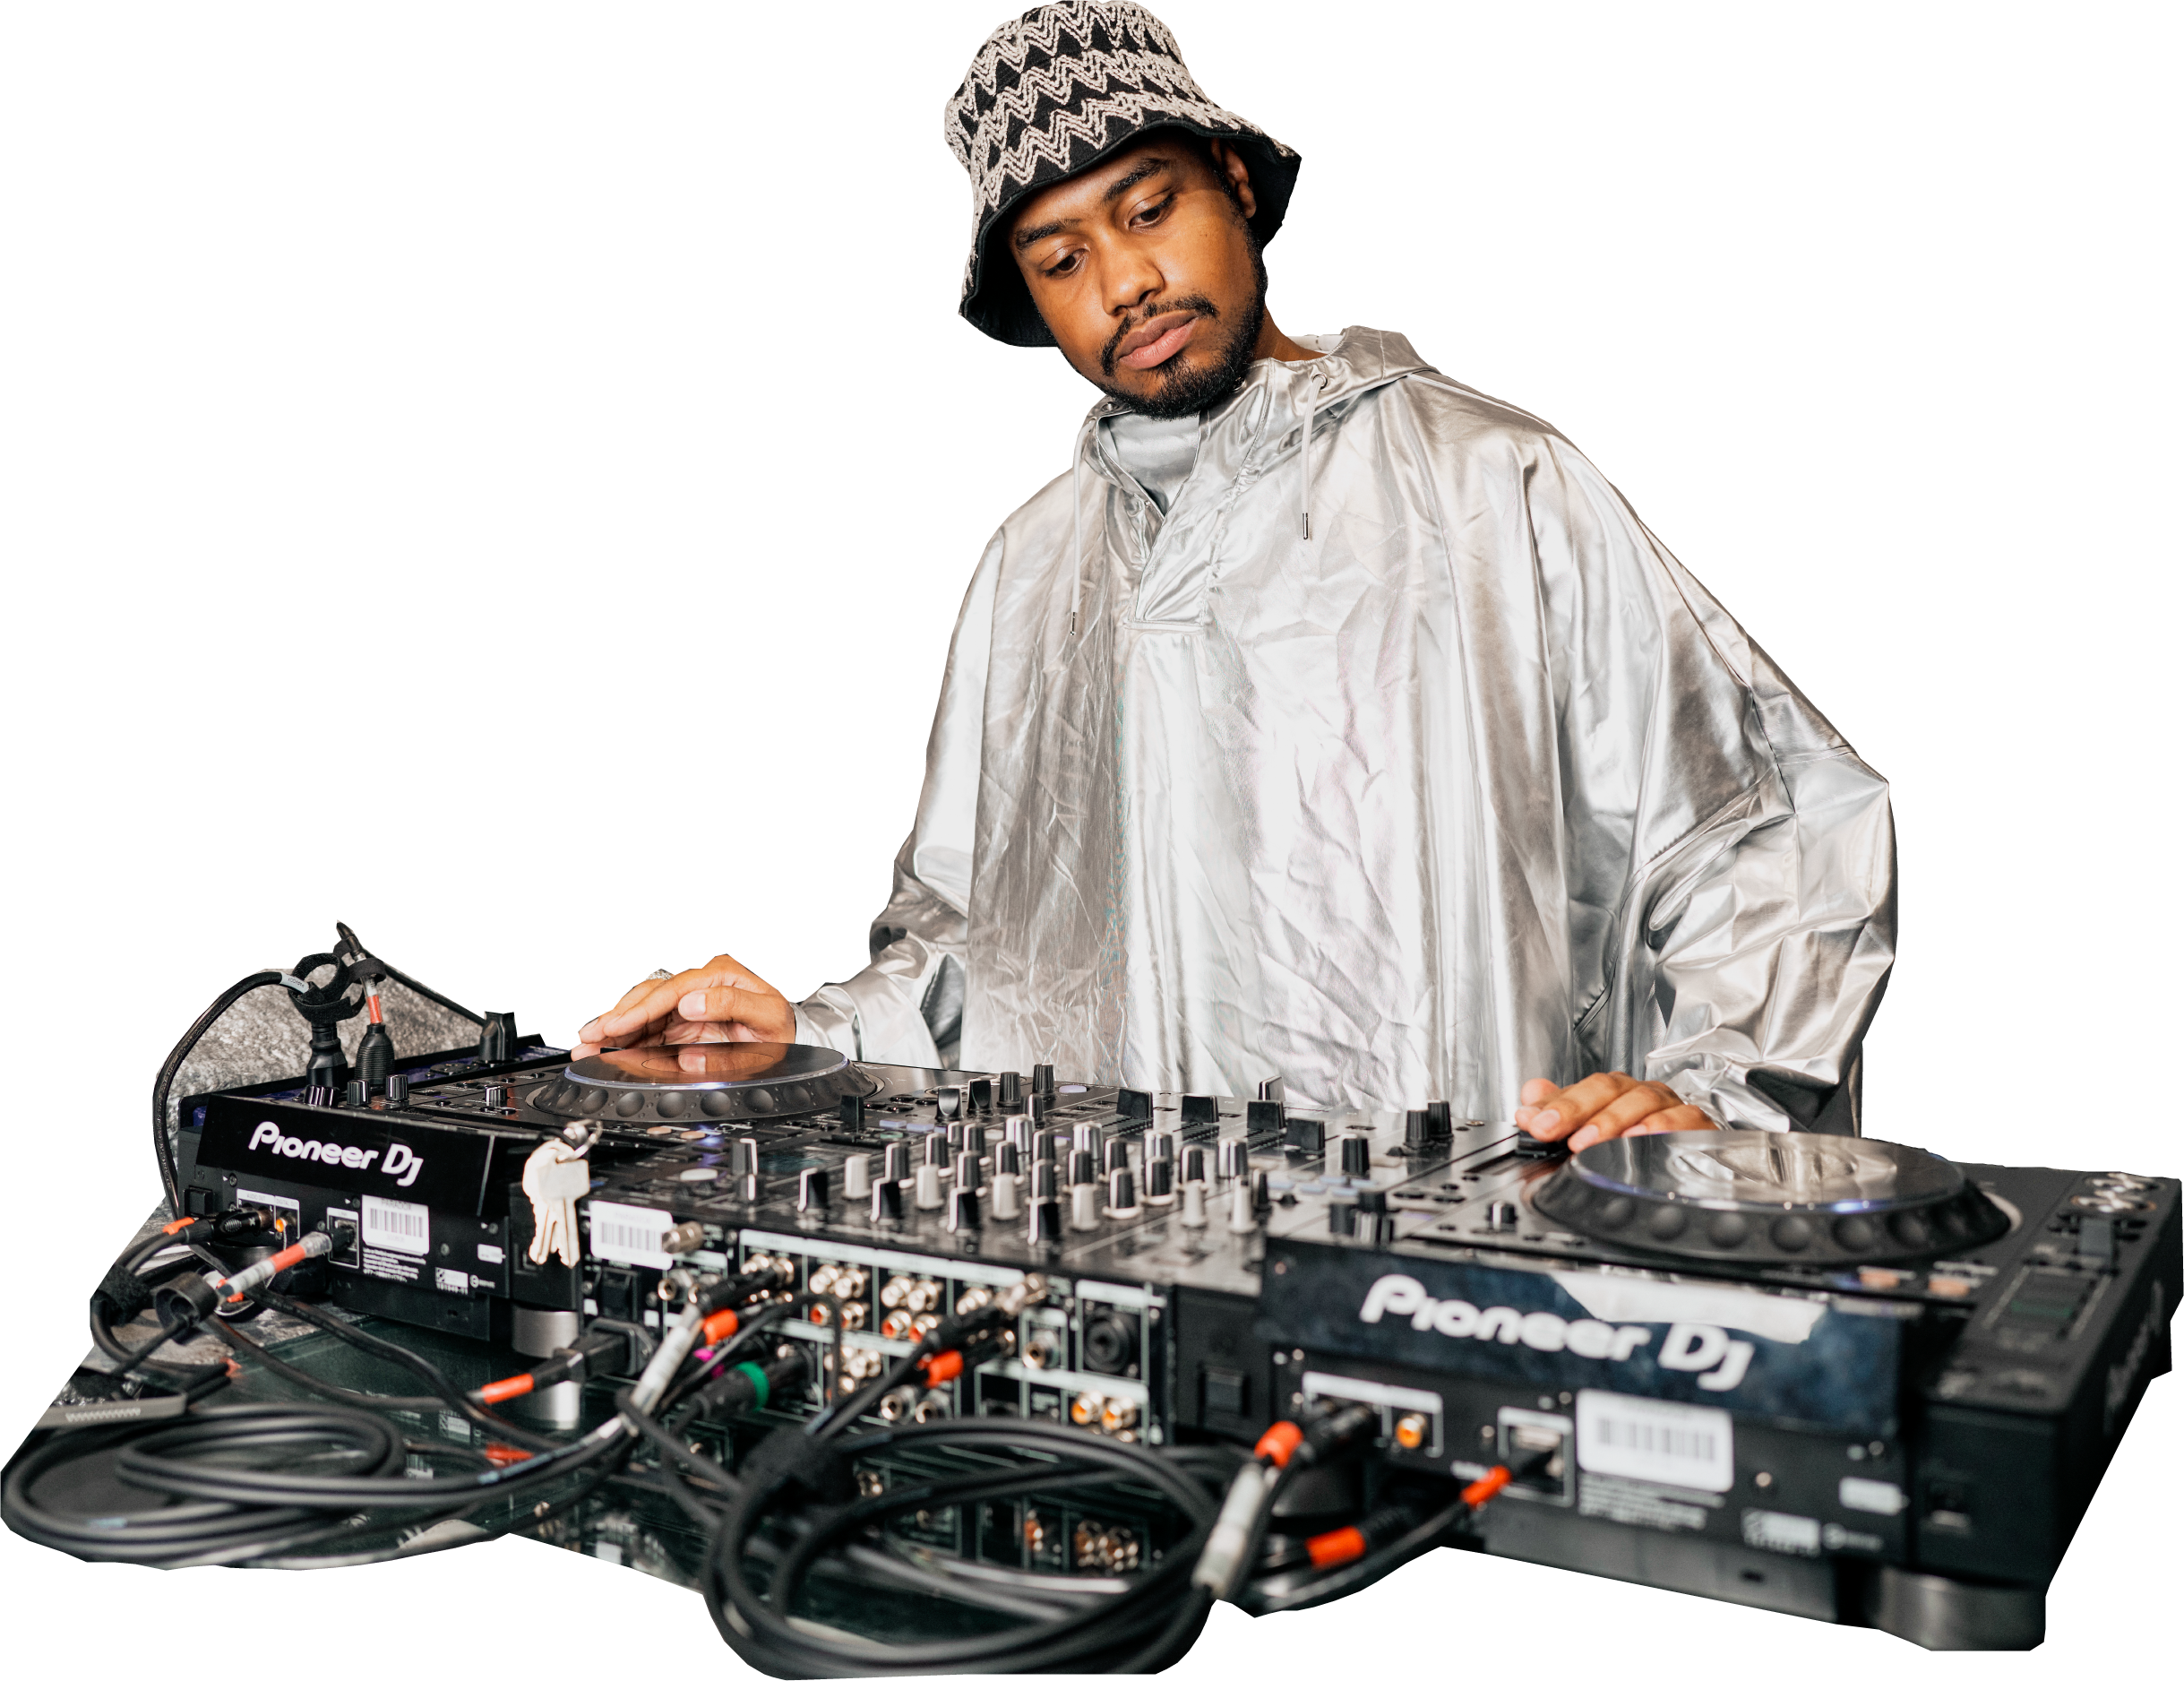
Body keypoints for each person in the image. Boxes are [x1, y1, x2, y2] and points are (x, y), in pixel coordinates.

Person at [577, 2, 1895, 1153]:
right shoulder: (1027, 570)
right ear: (1030, 308)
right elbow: (973, 956)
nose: (1129, 281)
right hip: (1121, 1294)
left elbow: (1754, 830)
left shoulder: (1495, 486)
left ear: (1235, 185)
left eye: (1150, 210)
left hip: (1471, 1263)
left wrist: (1713, 1095)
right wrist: (804, 1025)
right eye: (1061, 259)